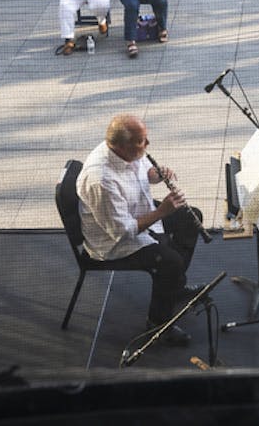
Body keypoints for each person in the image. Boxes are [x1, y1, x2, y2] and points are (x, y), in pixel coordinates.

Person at [75, 114, 204, 346]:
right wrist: (161, 212)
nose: (148, 144)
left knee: (190, 218)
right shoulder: (101, 180)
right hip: (112, 242)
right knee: (170, 262)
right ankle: (158, 324)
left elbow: (143, 172)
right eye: (142, 141)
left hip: (131, 211)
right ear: (123, 147)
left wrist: (155, 175)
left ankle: (174, 286)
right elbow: (121, 232)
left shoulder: (125, 152)